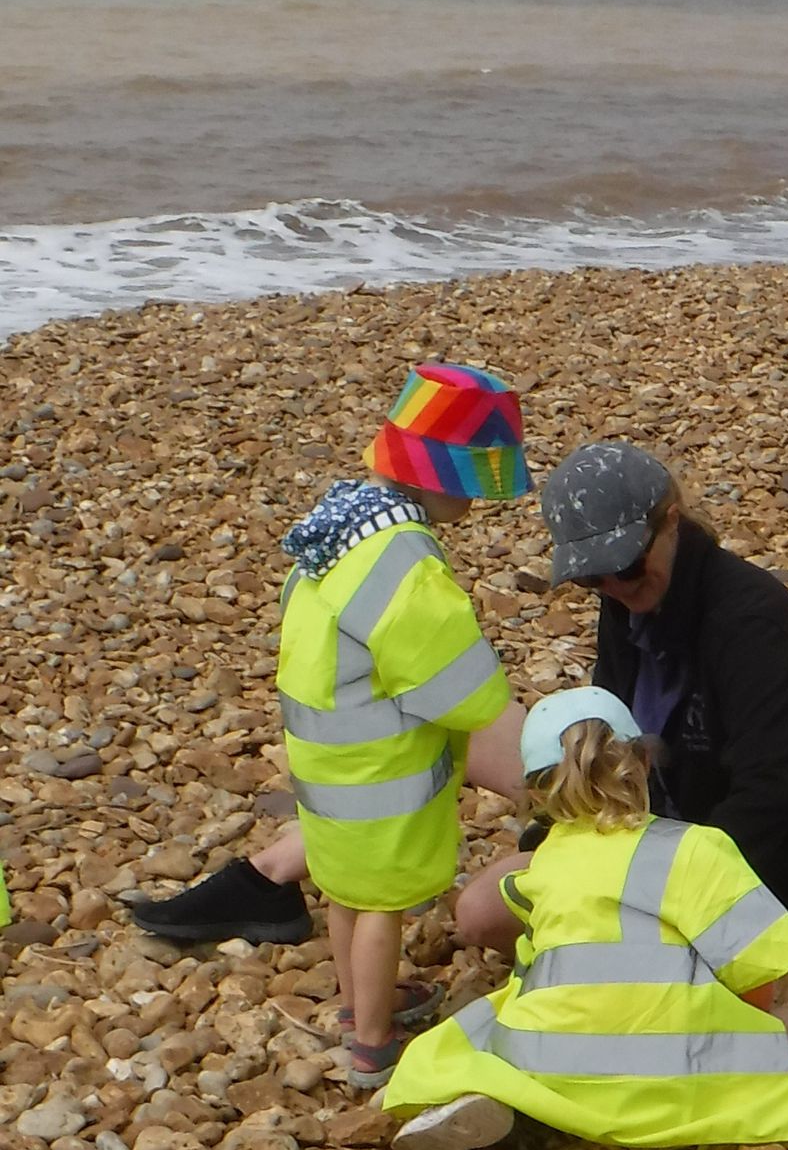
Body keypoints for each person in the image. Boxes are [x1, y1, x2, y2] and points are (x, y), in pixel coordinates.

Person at [125, 364, 530, 953]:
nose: (473, 504)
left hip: (324, 745)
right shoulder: (404, 561)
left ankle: (267, 882)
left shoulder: (340, 528)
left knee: (353, 834)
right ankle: (368, 1031)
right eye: (470, 487)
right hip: (373, 753)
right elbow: (462, 691)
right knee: (381, 860)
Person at [384, 687, 788, 1150]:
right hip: (685, 1084)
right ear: (642, 760)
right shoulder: (697, 846)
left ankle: (528, 1105)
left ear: (536, 791)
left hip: (560, 1065)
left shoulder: (544, 864)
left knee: (491, 1029)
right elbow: (757, 975)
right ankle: (689, 1108)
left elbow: (531, 975)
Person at [536, 439, 788, 929]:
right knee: (495, 907)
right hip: (682, 833)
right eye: (591, 579)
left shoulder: (752, 622)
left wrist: (659, 883)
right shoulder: (625, 603)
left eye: (626, 565)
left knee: (586, 924)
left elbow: (767, 796)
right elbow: (608, 747)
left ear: (673, 522)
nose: (616, 588)